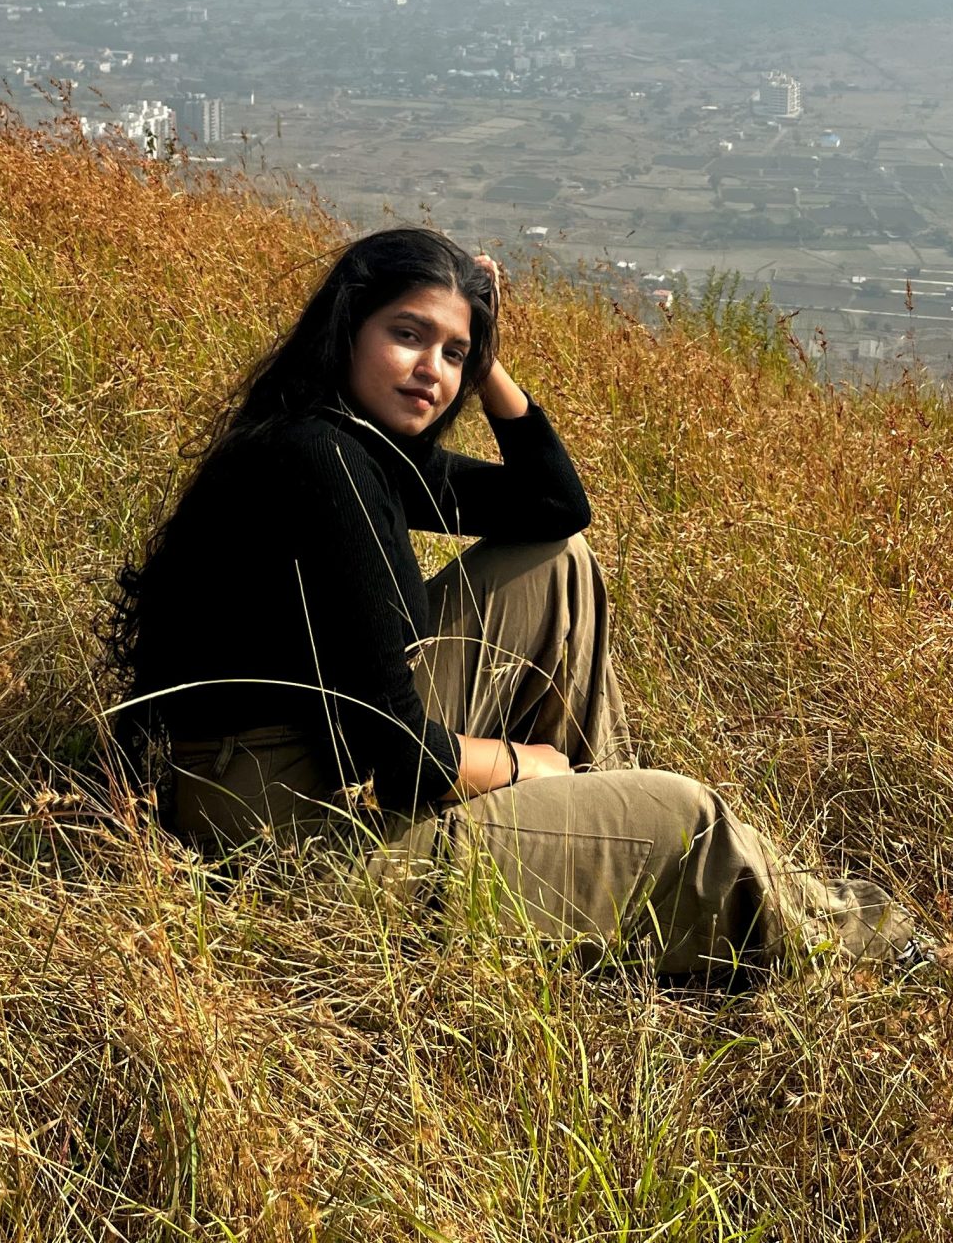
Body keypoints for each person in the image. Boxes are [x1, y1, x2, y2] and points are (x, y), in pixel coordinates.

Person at [105, 226, 912, 977]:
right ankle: (865, 948)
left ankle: (589, 835)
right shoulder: (325, 465)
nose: (434, 371)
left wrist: (488, 358)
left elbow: (555, 508)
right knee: (684, 817)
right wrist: (533, 764)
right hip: (289, 834)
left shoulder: (354, 444)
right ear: (347, 327)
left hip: (292, 759)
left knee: (555, 564)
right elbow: (396, 759)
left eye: (454, 353)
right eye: (409, 334)